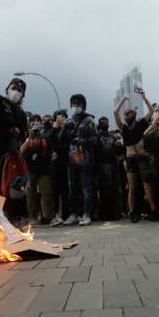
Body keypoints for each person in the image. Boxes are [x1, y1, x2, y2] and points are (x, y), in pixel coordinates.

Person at [114, 92, 158, 222]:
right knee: (132, 188)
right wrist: (123, 99)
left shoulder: (141, 124)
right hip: (131, 159)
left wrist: (144, 97)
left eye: (131, 113)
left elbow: (151, 110)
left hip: (143, 158)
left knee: (147, 186)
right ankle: (132, 212)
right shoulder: (123, 128)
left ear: (135, 115)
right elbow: (115, 112)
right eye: (127, 114)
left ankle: (153, 210)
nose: (129, 115)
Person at [63, 94, 97, 226]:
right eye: (74, 104)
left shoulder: (89, 121)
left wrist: (84, 141)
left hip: (85, 159)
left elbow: (95, 139)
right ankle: (74, 214)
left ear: (84, 105)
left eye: (79, 103)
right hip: (71, 159)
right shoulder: (68, 121)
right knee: (73, 189)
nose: (76, 106)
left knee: (86, 188)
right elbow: (62, 140)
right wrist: (62, 130)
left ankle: (86, 214)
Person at [20, 122, 55, 225]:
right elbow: (21, 151)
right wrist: (29, 138)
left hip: (44, 170)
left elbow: (52, 149)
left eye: (37, 129)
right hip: (30, 170)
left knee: (47, 192)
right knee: (30, 194)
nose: (36, 131)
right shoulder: (28, 139)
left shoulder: (46, 138)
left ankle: (49, 216)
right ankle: (32, 217)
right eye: (34, 129)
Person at [95, 116, 121, 220]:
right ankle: (104, 214)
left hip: (113, 164)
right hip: (102, 165)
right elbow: (95, 153)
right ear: (99, 124)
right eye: (103, 122)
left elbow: (117, 151)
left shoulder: (113, 137)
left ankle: (115, 213)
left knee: (114, 189)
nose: (105, 124)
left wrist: (118, 146)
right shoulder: (97, 137)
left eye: (107, 122)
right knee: (105, 190)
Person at [48, 110, 70, 226]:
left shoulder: (68, 129)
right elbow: (52, 144)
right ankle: (56, 215)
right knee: (55, 190)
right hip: (55, 164)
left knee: (65, 191)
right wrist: (54, 129)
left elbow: (65, 147)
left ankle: (66, 215)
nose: (60, 119)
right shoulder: (52, 131)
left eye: (62, 117)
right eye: (57, 117)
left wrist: (58, 151)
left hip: (66, 163)